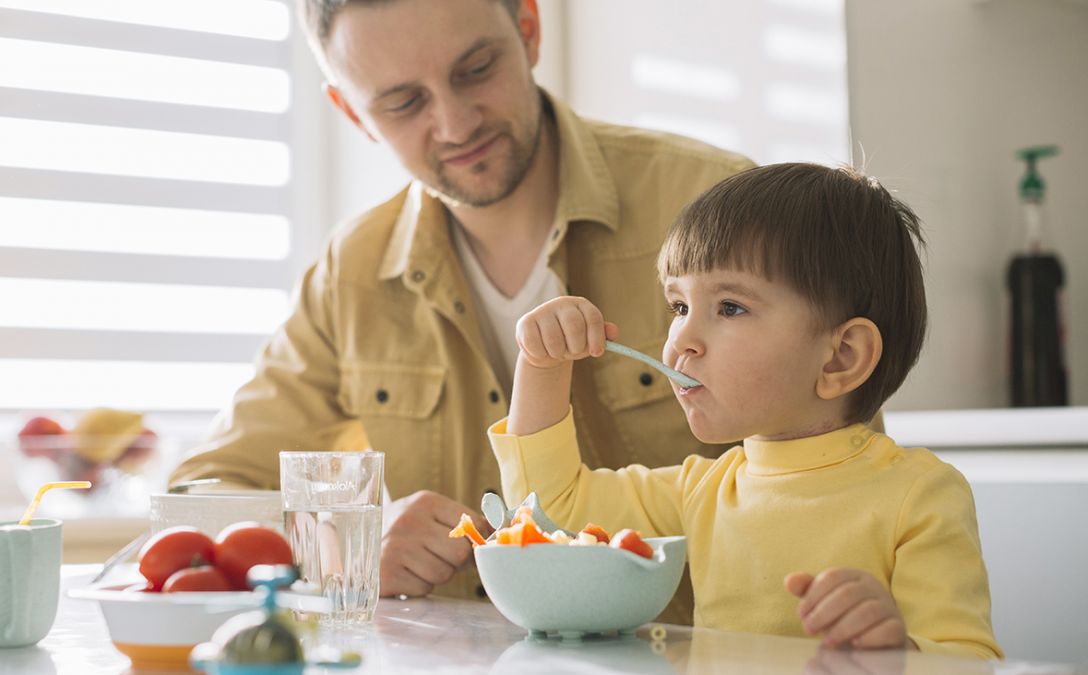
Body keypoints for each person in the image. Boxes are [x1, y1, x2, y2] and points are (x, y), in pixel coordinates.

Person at [169, 0, 756, 617]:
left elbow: (837, 452)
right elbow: (200, 497)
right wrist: (338, 543)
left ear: (528, 30)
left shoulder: (712, 205)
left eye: (476, 69)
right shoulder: (352, 274)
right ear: (352, 113)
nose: (454, 124)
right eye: (403, 104)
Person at [489, 163, 1003, 658]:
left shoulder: (920, 497)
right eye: (679, 307)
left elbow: (967, 658)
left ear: (841, 356)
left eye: (730, 307)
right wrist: (542, 366)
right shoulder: (702, 491)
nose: (680, 340)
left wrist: (895, 651)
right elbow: (548, 510)